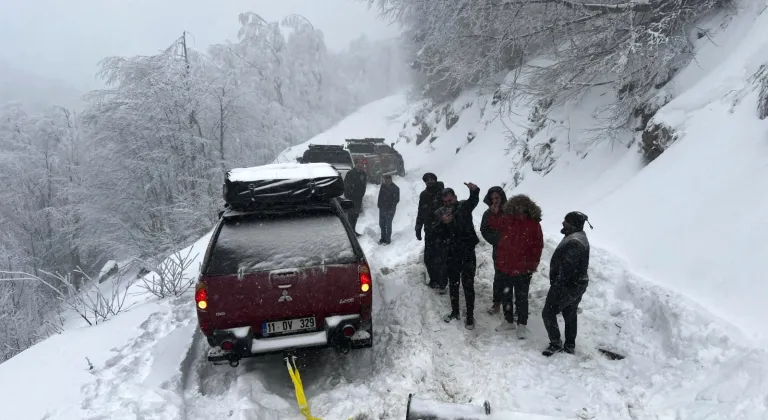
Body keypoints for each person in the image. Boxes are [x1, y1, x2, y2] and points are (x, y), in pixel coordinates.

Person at [486, 194, 544, 340]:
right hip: (505, 265)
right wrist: (493, 213)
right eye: (516, 206)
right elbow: (494, 225)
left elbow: (538, 246)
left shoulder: (533, 224)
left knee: (521, 298)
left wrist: (532, 264)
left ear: (528, 207)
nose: (519, 209)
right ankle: (508, 321)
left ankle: (522, 325)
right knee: (506, 295)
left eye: (522, 206)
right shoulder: (507, 219)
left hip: (524, 268)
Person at [542, 211, 592, 356]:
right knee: (570, 313)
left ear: (573, 224)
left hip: (568, 286)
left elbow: (567, 269)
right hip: (577, 284)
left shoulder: (575, 242)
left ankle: (556, 343)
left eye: (566, 221)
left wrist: (557, 287)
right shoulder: (578, 237)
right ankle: (569, 345)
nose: (563, 223)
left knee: (548, 313)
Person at [433, 182, 480, 330]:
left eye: (450, 200)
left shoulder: (463, 207)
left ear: (455, 198)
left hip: (467, 253)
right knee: (453, 284)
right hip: (451, 254)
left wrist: (475, 191)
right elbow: (435, 233)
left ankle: (470, 317)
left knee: (468, 285)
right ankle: (455, 311)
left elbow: (473, 201)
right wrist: (443, 223)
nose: (448, 204)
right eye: (445, 202)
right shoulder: (440, 213)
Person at [415, 172, 447, 292]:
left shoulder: (443, 192)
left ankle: (443, 282)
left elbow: (451, 207)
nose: (429, 181)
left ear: (435, 179)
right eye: (427, 180)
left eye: (431, 179)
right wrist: (418, 226)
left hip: (443, 230)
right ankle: (434, 280)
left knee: (442, 257)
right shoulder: (424, 195)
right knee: (429, 257)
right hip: (429, 230)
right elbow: (420, 211)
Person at [480, 186, 508, 315]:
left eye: (497, 198)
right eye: (492, 199)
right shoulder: (488, 213)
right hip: (498, 249)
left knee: (513, 278)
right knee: (499, 277)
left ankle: (511, 305)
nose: (495, 201)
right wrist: (498, 240)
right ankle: (497, 303)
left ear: (502, 197)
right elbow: (484, 230)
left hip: (513, 250)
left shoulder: (510, 211)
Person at [344, 162, 368, 235]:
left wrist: (361, 194)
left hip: (358, 198)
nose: (359, 165)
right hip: (351, 197)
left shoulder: (363, 173)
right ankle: (350, 232)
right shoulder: (350, 173)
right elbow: (346, 184)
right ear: (355, 164)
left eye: (360, 164)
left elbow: (364, 185)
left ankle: (353, 230)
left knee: (356, 215)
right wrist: (347, 195)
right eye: (357, 163)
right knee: (350, 215)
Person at [377, 174, 400, 244]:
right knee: (382, 224)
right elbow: (380, 196)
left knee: (388, 224)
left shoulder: (395, 188)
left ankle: (387, 239)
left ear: (391, 179)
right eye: (385, 179)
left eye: (388, 179)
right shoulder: (383, 186)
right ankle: (382, 238)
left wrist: (391, 207)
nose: (386, 180)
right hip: (382, 208)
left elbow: (396, 200)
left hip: (390, 209)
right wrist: (379, 204)